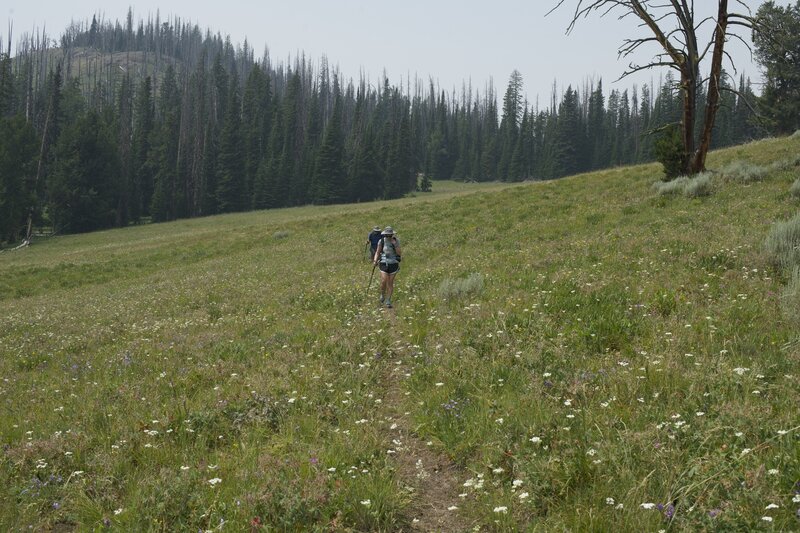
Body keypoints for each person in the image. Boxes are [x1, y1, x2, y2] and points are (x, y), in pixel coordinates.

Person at [373, 226, 402, 308]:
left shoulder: (396, 241)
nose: (388, 237)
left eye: (390, 235)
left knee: (390, 282)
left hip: (393, 263)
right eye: (387, 235)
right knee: (383, 280)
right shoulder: (381, 241)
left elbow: (399, 254)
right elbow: (378, 252)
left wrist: (395, 244)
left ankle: (388, 300)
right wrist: (375, 260)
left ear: (392, 234)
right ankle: (382, 294)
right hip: (383, 262)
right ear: (384, 235)